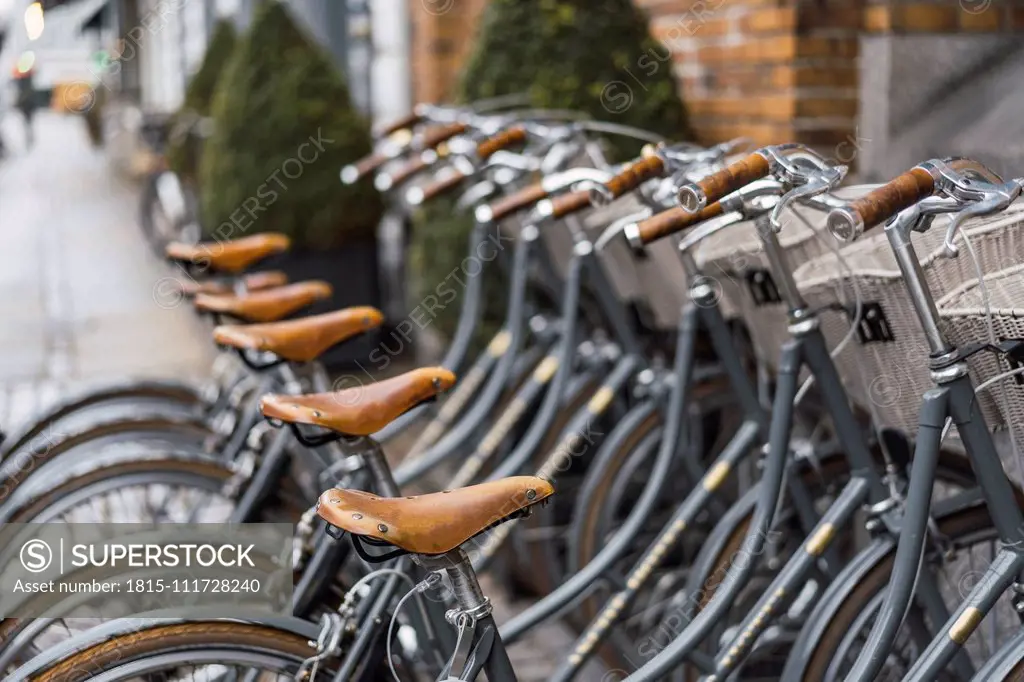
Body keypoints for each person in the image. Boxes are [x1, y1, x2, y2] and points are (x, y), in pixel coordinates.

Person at [14, 68, 37, 149]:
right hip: (27, 107)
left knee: (27, 124)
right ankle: (29, 140)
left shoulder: (25, 86)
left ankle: (29, 140)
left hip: (27, 107)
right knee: (27, 125)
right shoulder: (27, 85)